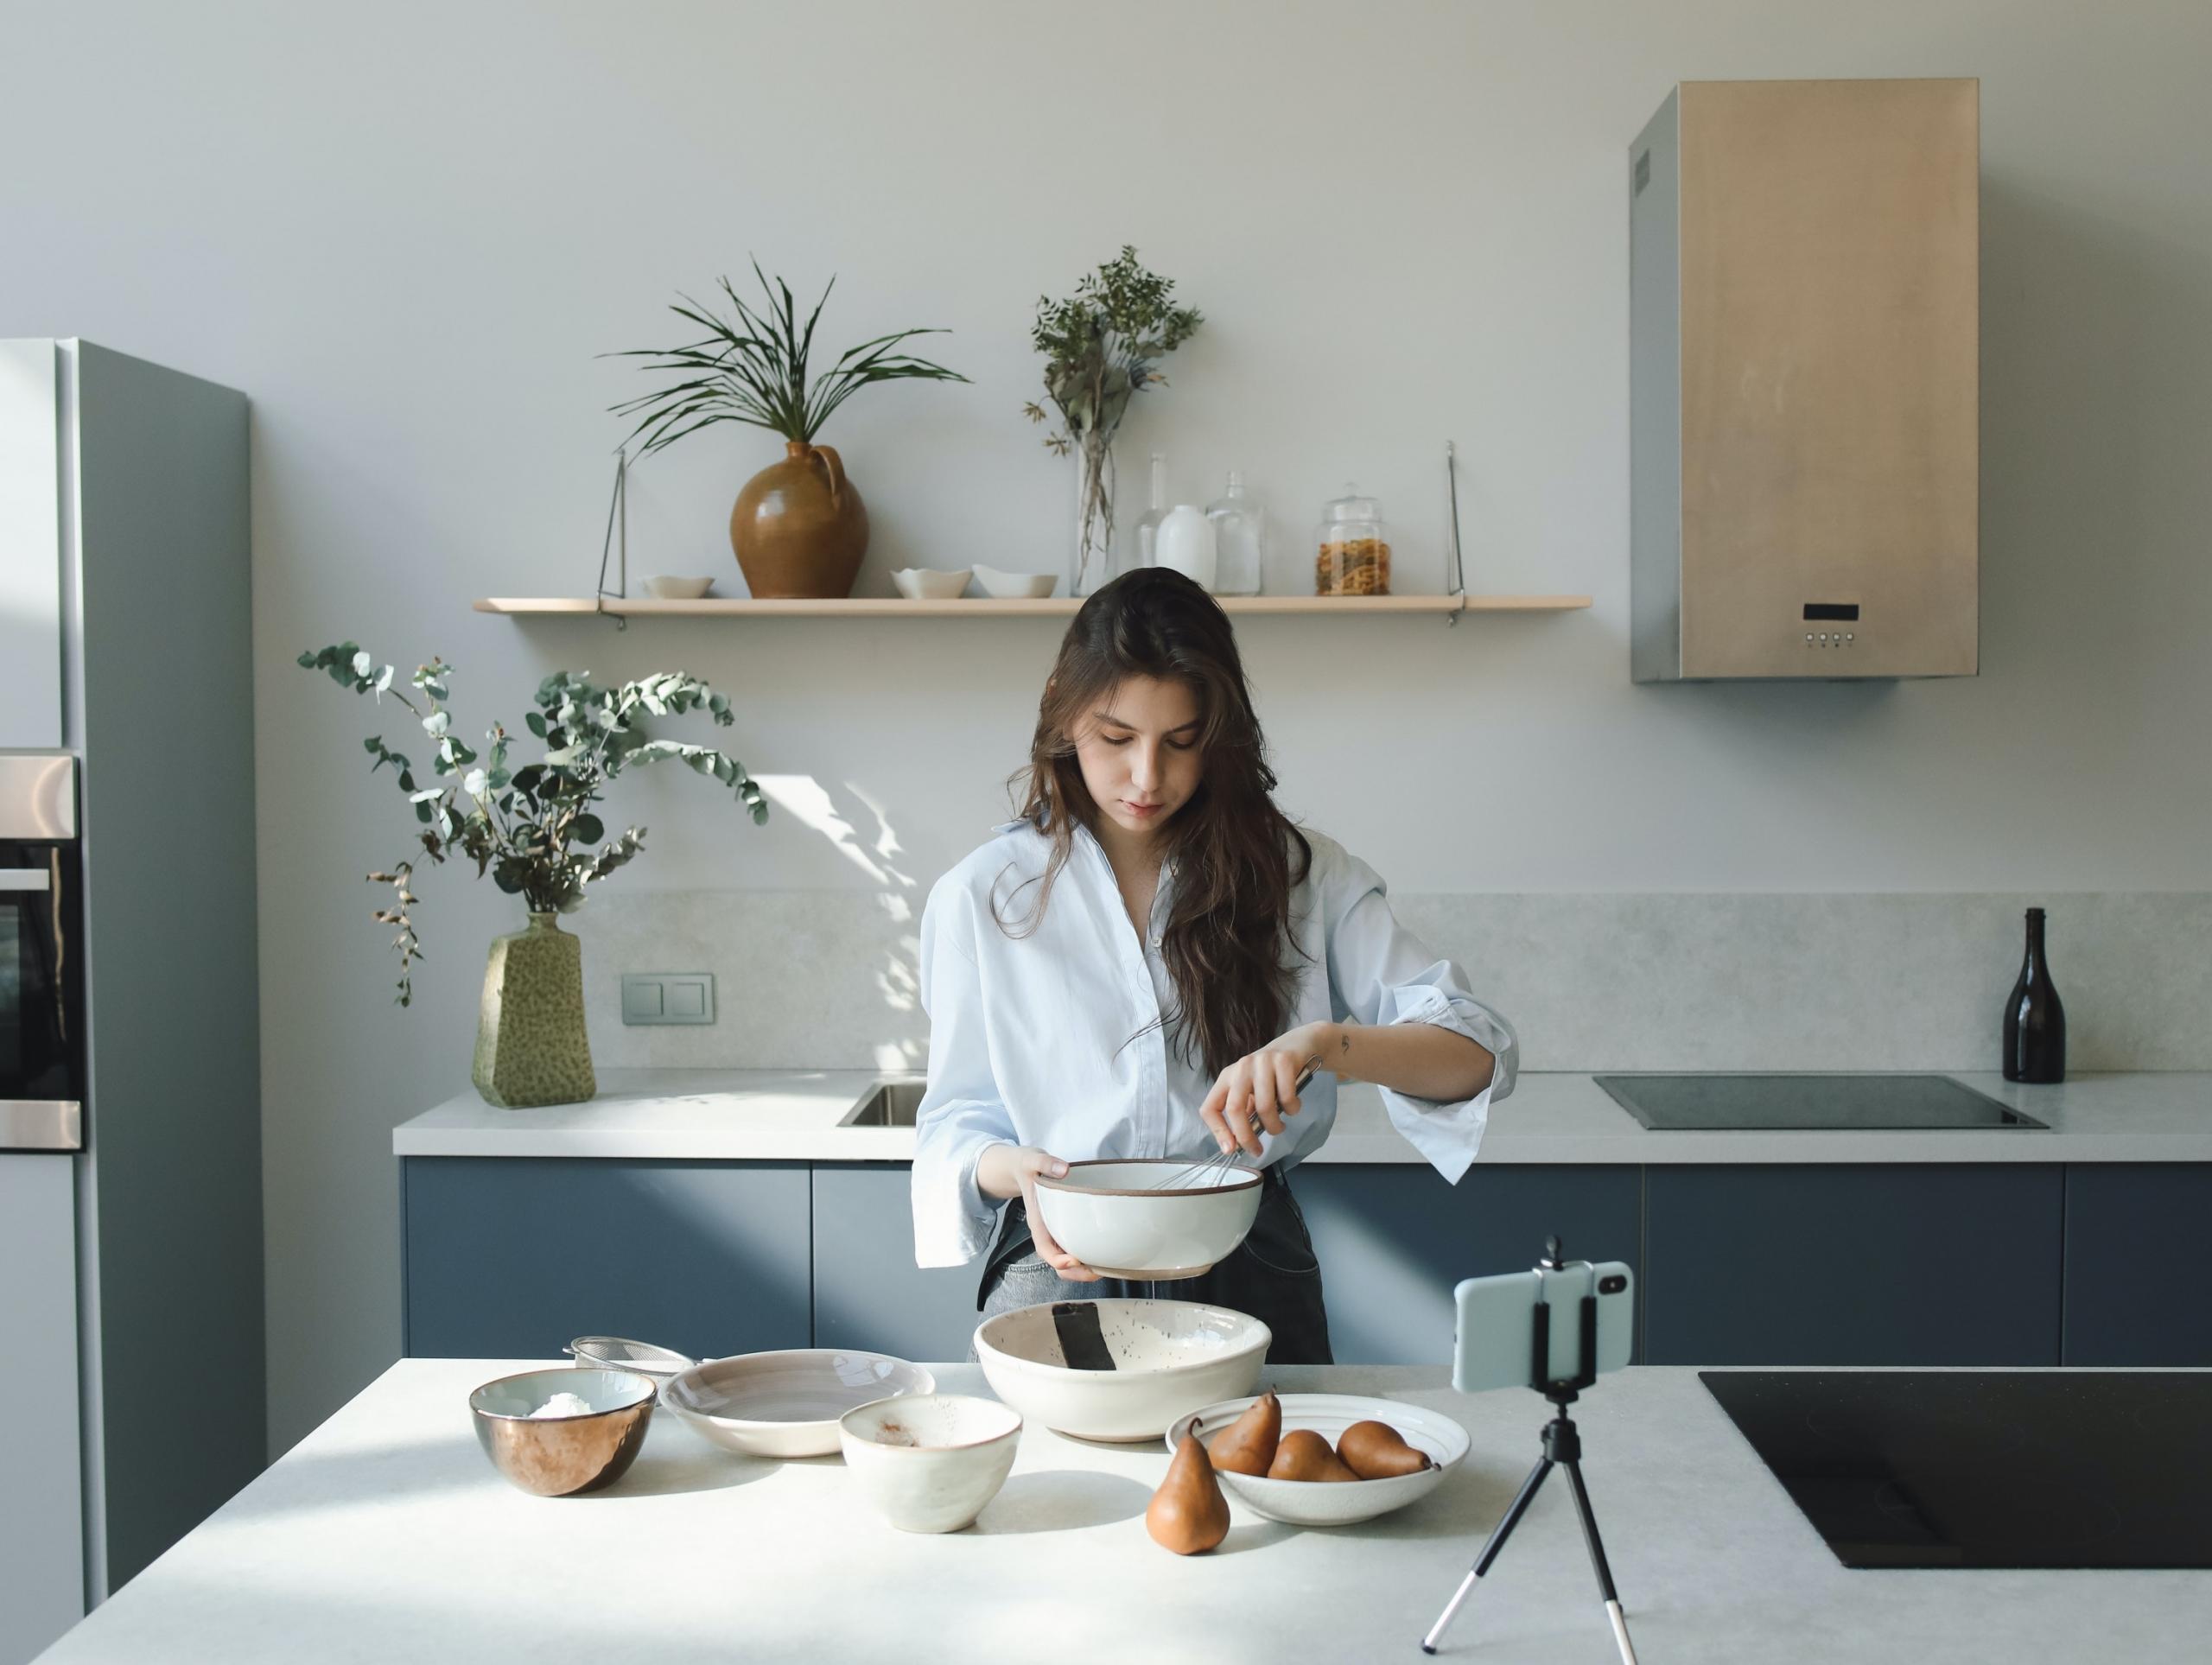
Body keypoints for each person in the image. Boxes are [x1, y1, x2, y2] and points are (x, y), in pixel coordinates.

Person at [909, 568, 1516, 1363]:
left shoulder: (1303, 875)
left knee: (1271, 1479)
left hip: (1249, 1255)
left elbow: (1477, 1055)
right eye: (1117, 739)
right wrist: (1013, 1167)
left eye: (1181, 742)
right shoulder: (981, 895)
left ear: (1218, 736)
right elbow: (954, 1125)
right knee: (1059, 1486)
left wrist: (1323, 1045)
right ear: (1064, 710)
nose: (1147, 777)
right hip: (1059, 1258)